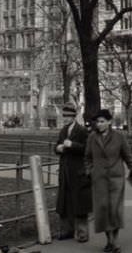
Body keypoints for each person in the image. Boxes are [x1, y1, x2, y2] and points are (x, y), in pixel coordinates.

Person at [85, 109, 132, 253]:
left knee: (114, 210)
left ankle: (114, 242)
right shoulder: (92, 137)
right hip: (99, 180)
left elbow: (128, 157)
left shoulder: (119, 137)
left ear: (109, 122)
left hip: (116, 179)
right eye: (97, 122)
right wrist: (90, 171)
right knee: (103, 210)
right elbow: (87, 157)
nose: (99, 124)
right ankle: (109, 241)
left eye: (102, 121)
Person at [54, 102, 91, 243]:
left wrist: (73, 145)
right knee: (65, 202)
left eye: (68, 116)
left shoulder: (82, 131)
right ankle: (67, 230)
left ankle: (82, 233)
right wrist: (58, 148)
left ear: (74, 117)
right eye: (64, 116)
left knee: (80, 203)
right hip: (65, 172)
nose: (66, 118)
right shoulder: (63, 130)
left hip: (78, 172)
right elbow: (56, 145)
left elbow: (87, 149)